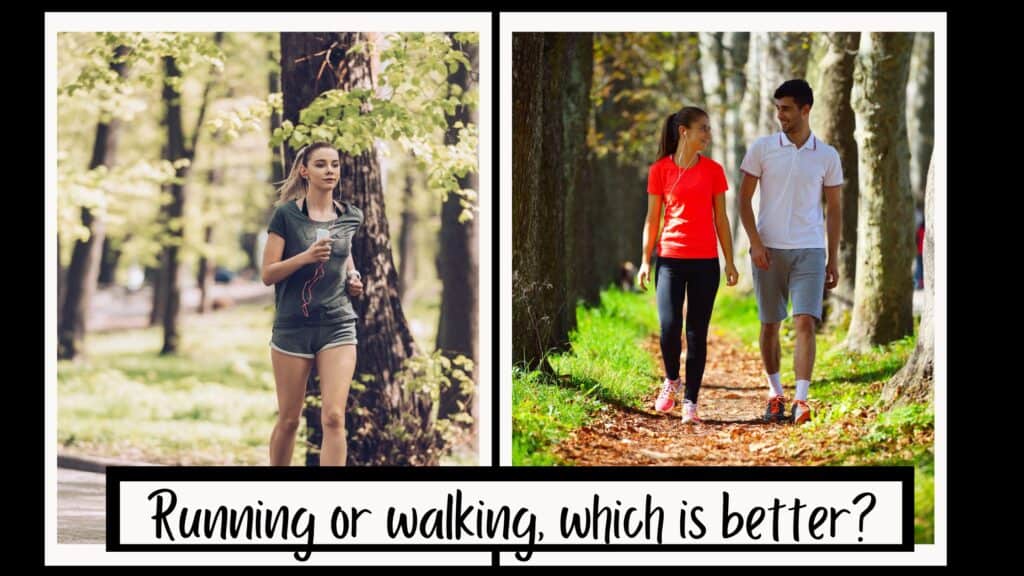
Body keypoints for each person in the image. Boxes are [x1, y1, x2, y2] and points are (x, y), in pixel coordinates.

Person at [738, 79, 842, 425]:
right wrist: (754, 242)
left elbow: (835, 209)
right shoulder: (762, 149)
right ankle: (775, 393)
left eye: (786, 108)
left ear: (805, 109)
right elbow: (742, 200)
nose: (779, 114)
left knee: (805, 322)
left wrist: (833, 257)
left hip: (809, 249)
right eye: (777, 108)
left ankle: (801, 399)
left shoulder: (827, 155)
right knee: (770, 324)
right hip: (768, 249)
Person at [261, 142, 364, 465]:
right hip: (293, 328)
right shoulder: (287, 215)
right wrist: (305, 257)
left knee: (334, 417)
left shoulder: (350, 215)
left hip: (338, 324)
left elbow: (345, 254)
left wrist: (354, 276)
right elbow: (268, 274)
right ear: (304, 171)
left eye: (334, 164)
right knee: (290, 419)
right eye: (321, 164)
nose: (330, 170)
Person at [637, 106, 738, 424]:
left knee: (697, 333)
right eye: (703, 129)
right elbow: (652, 219)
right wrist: (644, 261)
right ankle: (671, 380)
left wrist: (730, 261)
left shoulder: (713, 170)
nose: (708, 135)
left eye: (709, 129)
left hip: (705, 263)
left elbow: (721, 218)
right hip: (669, 260)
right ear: (684, 131)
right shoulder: (660, 171)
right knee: (669, 329)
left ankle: (691, 403)